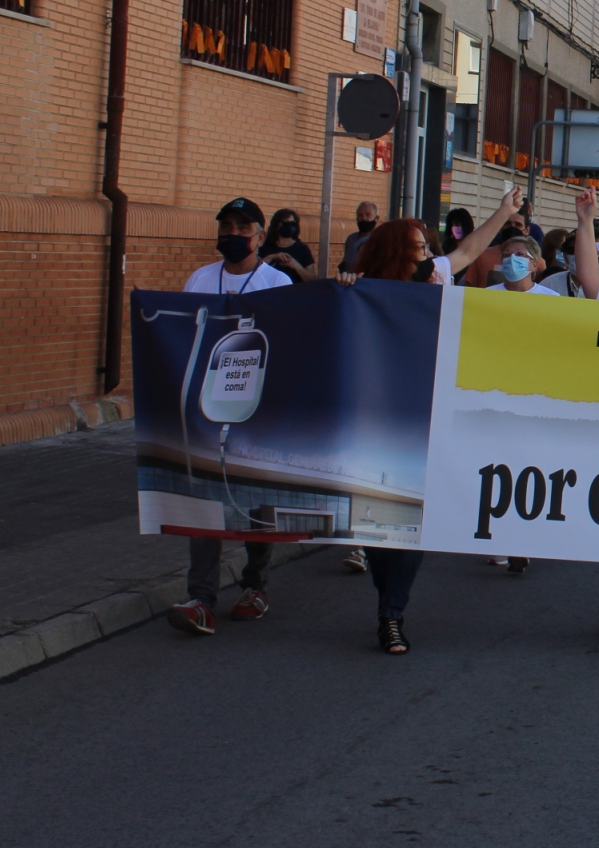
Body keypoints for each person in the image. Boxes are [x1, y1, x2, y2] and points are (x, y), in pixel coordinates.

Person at [333, 214, 506, 654]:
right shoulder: (365, 288)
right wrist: (347, 287)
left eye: (427, 248)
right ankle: (386, 597)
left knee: (415, 520)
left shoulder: (438, 277)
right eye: (416, 248)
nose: (426, 256)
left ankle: (391, 613)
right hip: (377, 421)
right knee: (373, 519)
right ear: (393, 252)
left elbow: (468, 251)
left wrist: (504, 211)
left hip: (430, 415)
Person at [166, 199, 296, 639]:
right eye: (226, 225)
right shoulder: (202, 278)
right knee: (205, 496)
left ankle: (255, 584)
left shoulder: (277, 282)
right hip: (207, 406)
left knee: (254, 498)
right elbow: (184, 334)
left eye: (243, 226)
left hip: (258, 407)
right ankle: (201, 598)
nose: (233, 233)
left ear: (261, 235)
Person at [341, 201, 380, 273]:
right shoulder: (351, 239)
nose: (364, 218)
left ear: (376, 218)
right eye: (360, 215)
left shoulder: (381, 240)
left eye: (368, 215)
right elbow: (346, 262)